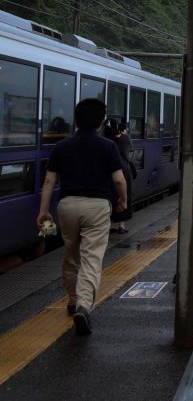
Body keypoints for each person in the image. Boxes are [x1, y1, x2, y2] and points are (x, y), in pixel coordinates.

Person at [36, 98, 127, 336]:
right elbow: (118, 179)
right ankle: (84, 305)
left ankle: (72, 297)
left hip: (67, 205)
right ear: (101, 121)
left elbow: (49, 181)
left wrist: (43, 211)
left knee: (71, 253)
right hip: (97, 206)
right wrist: (123, 200)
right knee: (91, 258)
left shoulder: (62, 147)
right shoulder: (108, 147)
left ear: (76, 119)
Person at [105, 119, 135, 233]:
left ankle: (109, 224)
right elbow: (132, 149)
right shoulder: (125, 138)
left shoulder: (107, 140)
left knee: (111, 197)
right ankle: (121, 226)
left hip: (110, 171)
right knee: (124, 195)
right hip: (124, 170)